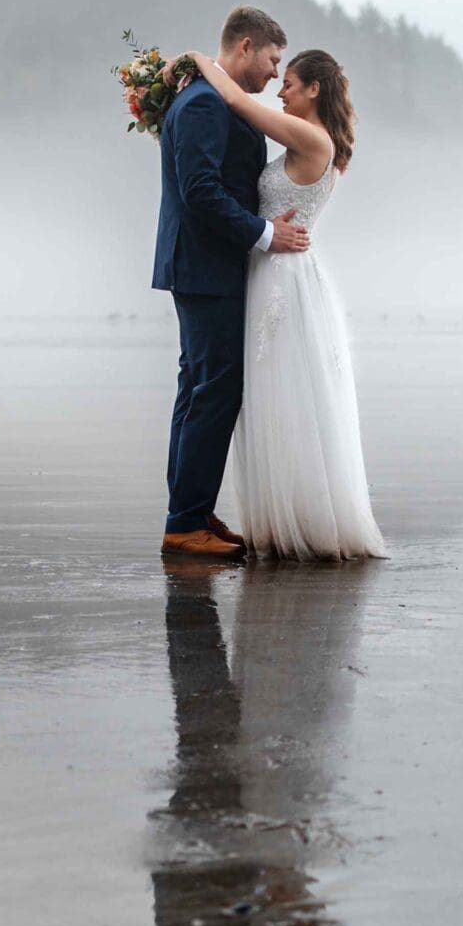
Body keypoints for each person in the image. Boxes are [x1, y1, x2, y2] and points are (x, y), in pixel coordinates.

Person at [176, 40, 388, 561]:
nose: (279, 89)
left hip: (284, 277)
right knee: (272, 399)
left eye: (288, 83)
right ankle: (272, 517)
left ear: (314, 89)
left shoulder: (312, 138)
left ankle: (301, 521)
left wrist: (200, 62)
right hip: (269, 270)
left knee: (286, 397)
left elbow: (240, 104)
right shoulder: (308, 138)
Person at [151, 6, 311, 559]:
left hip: (205, 266)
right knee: (216, 391)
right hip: (204, 267)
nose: (273, 73)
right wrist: (266, 234)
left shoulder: (212, 98)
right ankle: (185, 523)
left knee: (197, 387)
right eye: (271, 60)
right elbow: (200, 191)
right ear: (245, 47)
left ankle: (191, 512)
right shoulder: (201, 105)